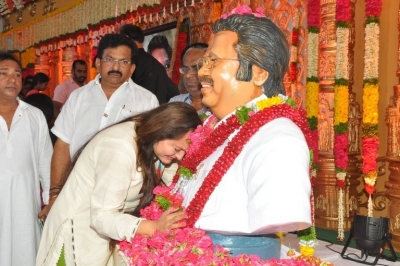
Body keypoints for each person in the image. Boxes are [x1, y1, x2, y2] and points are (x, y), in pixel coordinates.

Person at [176, 6, 312, 259]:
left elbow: (280, 212)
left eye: (213, 62)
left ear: (258, 73)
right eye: (203, 62)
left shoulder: (278, 138)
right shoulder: (212, 129)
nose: (201, 72)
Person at [36, 102, 201, 266]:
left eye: (184, 152)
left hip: (104, 237)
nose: (179, 157)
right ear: (162, 131)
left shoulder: (156, 144)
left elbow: (176, 185)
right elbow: (102, 218)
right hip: (78, 236)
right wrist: (154, 227)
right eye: (177, 149)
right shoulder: (119, 148)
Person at [39, 34, 159, 218]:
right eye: (110, 60)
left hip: (124, 198)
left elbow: (151, 151)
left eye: (124, 61)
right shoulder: (78, 97)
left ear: (132, 68)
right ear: (98, 63)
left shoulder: (147, 100)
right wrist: (55, 194)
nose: (116, 67)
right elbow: (63, 146)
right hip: (77, 191)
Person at [0, 52, 52, 266]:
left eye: (17, 75)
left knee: (25, 253)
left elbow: (45, 161)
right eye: (4, 73)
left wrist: (50, 200)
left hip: (25, 205)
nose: (12, 79)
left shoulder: (33, 115)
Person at [119, 24, 179, 104]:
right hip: (158, 113)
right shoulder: (158, 65)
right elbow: (174, 92)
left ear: (126, 38)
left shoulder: (129, 62)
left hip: (137, 113)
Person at [169, 43, 209, 116]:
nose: (188, 75)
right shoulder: (175, 103)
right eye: (185, 69)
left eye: (196, 68)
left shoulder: (219, 105)